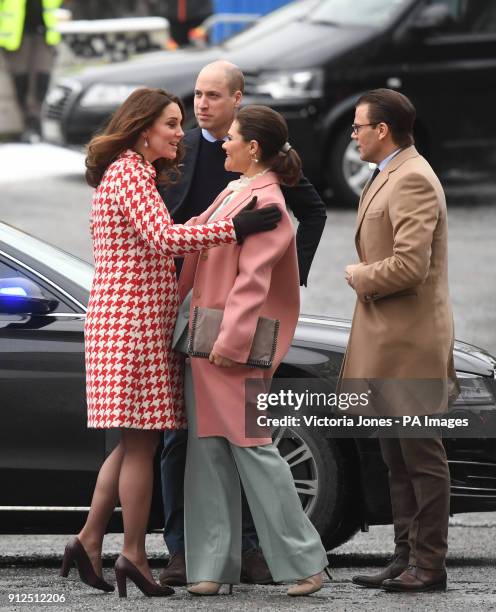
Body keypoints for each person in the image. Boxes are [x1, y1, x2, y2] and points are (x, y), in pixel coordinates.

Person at [59, 87, 281, 598]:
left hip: (128, 323)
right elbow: (164, 238)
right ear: (143, 130)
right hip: (133, 326)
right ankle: (132, 554)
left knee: (132, 443)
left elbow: (162, 233)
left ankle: (90, 539)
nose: (181, 134)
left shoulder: (130, 170)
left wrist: (217, 223)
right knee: (142, 444)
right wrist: (233, 228)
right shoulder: (130, 171)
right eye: (171, 124)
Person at [158, 60, 327, 587]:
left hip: (228, 349)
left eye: (230, 138)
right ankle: (210, 568)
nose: (221, 144)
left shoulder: (267, 199)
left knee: (256, 453)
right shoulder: (239, 191)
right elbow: (194, 234)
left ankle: (305, 563)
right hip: (205, 345)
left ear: (253, 148)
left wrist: (229, 344)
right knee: (207, 455)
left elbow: (252, 286)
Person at [340, 88, 457, 592]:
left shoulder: (413, 179)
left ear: (382, 130)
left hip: (410, 342)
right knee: (395, 456)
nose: (353, 134)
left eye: (358, 126)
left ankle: (429, 565)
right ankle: (405, 555)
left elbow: (411, 266)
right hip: (389, 339)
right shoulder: (391, 172)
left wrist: (360, 275)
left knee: (421, 457)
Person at [0, 0, 62, 141]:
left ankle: (36, 125)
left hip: (45, 36)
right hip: (15, 38)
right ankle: (29, 124)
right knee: (21, 82)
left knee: (42, 80)